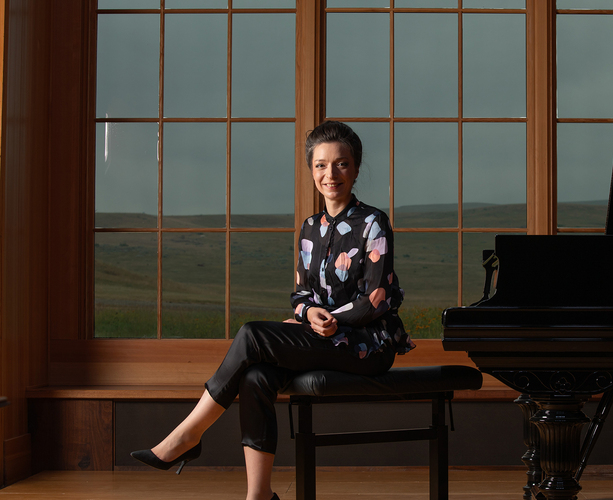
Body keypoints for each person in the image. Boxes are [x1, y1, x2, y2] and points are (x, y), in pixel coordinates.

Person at [131, 121, 414, 500]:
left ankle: (188, 434)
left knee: (251, 333)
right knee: (256, 376)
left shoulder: (373, 222)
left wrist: (327, 319)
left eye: (341, 164)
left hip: (368, 344)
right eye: (320, 165)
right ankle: (259, 495)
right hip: (324, 337)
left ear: (356, 168)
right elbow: (300, 296)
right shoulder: (309, 228)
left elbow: (375, 298)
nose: (330, 174)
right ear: (311, 169)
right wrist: (307, 315)